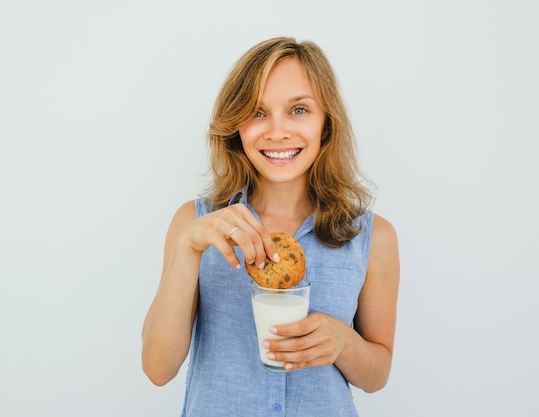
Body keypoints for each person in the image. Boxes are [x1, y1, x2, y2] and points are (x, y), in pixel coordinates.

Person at [141, 36, 400, 416]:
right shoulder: (194, 225)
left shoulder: (373, 238)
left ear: (326, 122)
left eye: (299, 110)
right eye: (257, 112)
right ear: (237, 127)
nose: (277, 132)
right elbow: (157, 369)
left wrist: (343, 342)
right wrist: (187, 248)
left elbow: (377, 377)